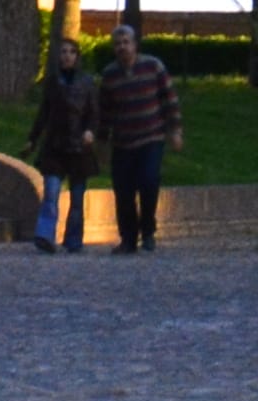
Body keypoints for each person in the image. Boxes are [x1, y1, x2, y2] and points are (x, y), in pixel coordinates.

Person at [95, 24, 184, 254]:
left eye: (126, 42)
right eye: (117, 44)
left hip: (151, 137)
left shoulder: (153, 66)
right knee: (123, 191)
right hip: (123, 141)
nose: (122, 47)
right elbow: (104, 113)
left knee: (148, 181)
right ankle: (128, 238)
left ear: (135, 44)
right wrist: (102, 143)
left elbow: (169, 100)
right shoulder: (109, 75)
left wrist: (175, 130)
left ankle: (148, 231)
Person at [27, 33, 94, 253]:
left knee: (76, 198)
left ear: (77, 56)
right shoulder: (53, 82)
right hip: (55, 145)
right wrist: (32, 139)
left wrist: (90, 131)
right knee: (51, 193)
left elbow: (94, 113)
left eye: (71, 52)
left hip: (78, 147)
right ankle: (45, 235)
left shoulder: (86, 83)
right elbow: (44, 113)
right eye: (63, 52)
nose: (67, 56)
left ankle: (73, 239)